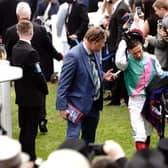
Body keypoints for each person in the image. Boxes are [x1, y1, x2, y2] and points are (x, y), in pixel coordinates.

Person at [4, 1, 63, 133]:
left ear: (17, 15)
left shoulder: (11, 31)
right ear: (30, 14)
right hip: (38, 68)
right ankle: (41, 119)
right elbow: (49, 49)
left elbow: (7, 53)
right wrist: (59, 56)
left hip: (20, 71)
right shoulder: (41, 29)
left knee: (23, 96)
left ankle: (25, 122)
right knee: (40, 94)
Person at [56, 26, 114, 144]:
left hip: (94, 106)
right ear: (93, 42)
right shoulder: (73, 56)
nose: (103, 46)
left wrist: (103, 75)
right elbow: (63, 84)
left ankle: (87, 162)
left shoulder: (95, 52)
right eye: (102, 43)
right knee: (73, 141)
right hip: (76, 106)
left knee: (89, 142)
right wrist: (61, 107)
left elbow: (91, 71)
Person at [115, 28, 168, 150]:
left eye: (139, 51)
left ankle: (145, 159)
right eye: (135, 53)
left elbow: (160, 75)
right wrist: (123, 42)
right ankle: (142, 160)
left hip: (151, 100)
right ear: (128, 52)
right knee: (139, 133)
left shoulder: (152, 58)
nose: (138, 55)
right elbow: (119, 61)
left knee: (148, 131)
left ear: (142, 46)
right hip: (135, 101)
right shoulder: (126, 62)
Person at [11, 19, 48, 161]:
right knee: (30, 131)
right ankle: (30, 158)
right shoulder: (31, 52)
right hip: (33, 97)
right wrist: (45, 89)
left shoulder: (15, 49)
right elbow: (38, 75)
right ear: (31, 32)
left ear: (17, 32)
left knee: (24, 128)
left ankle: (22, 157)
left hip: (21, 95)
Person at [106, 0, 130, 106]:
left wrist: (118, 47)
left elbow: (122, 30)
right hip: (116, 45)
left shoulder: (121, 8)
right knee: (117, 72)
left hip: (118, 47)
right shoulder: (119, 6)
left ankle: (119, 99)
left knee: (118, 72)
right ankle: (117, 98)